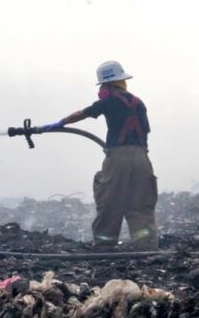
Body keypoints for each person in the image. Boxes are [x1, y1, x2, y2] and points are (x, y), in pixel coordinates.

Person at [40, 61, 158, 250]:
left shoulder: (109, 101)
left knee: (110, 202)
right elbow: (145, 132)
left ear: (108, 85)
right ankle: (146, 247)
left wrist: (60, 122)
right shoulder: (139, 103)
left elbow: (82, 113)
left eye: (103, 86)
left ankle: (104, 245)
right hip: (142, 159)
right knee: (141, 204)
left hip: (118, 158)